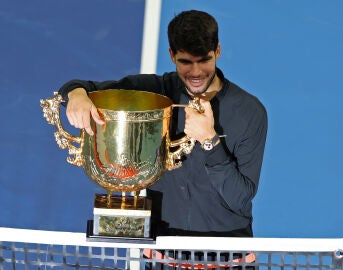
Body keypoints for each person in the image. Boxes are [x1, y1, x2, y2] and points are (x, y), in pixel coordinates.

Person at [58, 10, 267, 240]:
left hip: (223, 255)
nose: (196, 73)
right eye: (185, 62)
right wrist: (76, 95)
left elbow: (240, 198)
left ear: (217, 51)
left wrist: (210, 141)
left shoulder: (249, 111)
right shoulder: (154, 92)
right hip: (162, 255)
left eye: (204, 61)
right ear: (171, 55)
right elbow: (80, 86)